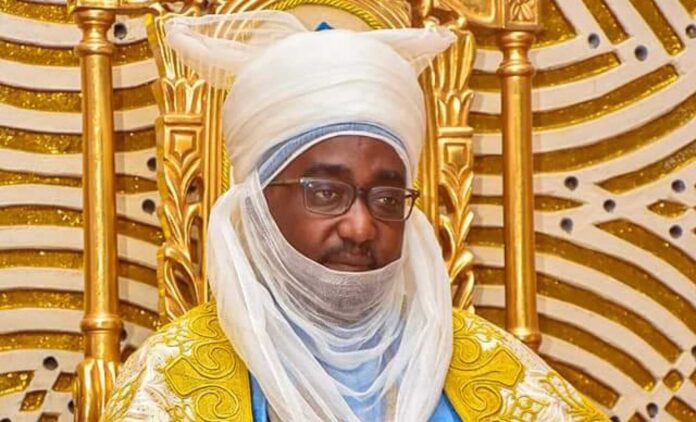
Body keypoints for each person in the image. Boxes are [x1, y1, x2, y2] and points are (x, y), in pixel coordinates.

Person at [102, 11, 607, 421]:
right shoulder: (173, 383)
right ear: (256, 203)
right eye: (325, 193)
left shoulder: (497, 375)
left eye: (388, 200)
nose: (362, 227)